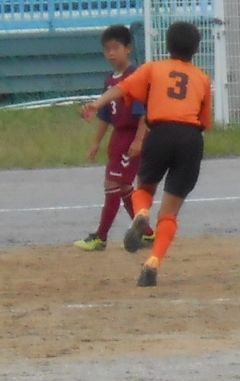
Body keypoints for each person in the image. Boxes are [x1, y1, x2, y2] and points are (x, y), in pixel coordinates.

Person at [80, 20, 211, 288]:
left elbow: (122, 88)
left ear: (167, 45)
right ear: (196, 50)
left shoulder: (153, 68)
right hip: (190, 138)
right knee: (170, 212)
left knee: (144, 189)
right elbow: (205, 122)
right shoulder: (202, 78)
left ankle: (141, 213)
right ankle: (153, 263)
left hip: (160, 132)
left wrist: (97, 103)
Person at [74, 26, 155, 252]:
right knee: (123, 186)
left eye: (115, 48)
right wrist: (96, 143)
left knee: (113, 184)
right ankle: (147, 233)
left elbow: (144, 113)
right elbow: (105, 117)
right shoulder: (110, 81)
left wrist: (138, 141)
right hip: (118, 137)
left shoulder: (135, 77)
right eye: (107, 49)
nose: (111, 53)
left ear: (128, 49)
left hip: (131, 136)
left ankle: (100, 236)